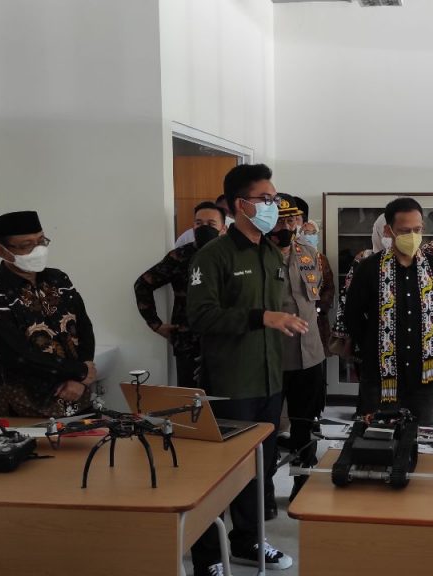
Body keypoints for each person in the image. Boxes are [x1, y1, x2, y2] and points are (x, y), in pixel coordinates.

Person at [186, 163, 300, 572]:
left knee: (259, 468)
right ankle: (208, 556)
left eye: (274, 198)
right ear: (240, 204)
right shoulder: (213, 255)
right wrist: (261, 317)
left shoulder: (268, 250)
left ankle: (248, 542)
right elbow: (200, 317)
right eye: (265, 199)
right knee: (221, 473)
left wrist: (279, 321)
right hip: (231, 382)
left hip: (269, 379)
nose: (273, 206)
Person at [0, 211, 97, 417]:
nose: (38, 250)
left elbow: (83, 326)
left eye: (41, 241)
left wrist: (82, 375)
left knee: (91, 436)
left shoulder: (58, 279)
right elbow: (18, 355)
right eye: (26, 245)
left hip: (77, 393)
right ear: (1, 251)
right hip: (27, 401)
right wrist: (79, 371)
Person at [344, 197, 433, 423]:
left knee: (420, 436)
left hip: (423, 375)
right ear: (388, 230)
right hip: (380, 375)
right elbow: (352, 316)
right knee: (376, 437)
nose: (412, 236)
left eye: (417, 229)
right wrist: (374, 343)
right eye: (404, 230)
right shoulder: (368, 268)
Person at [267, 194, 327, 503]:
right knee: (265, 428)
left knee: (307, 424)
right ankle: (263, 491)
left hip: (310, 354)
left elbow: (317, 295)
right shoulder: (257, 256)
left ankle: (301, 485)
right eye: (280, 221)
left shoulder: (310, 253)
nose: (288, 227)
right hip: (271, 356)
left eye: (292, 220)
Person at [134, 202, 223, 388]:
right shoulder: (180, 256)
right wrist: (155, 324)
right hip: (187, 341)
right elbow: (143, 284)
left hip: (226, 340)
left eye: (211, 224)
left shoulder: (233, 256)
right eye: (199, 223)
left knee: (225, 398)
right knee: (190, 399)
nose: (204, 228)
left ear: (223, 228)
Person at [299, 219, 336, 349]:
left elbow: (329, 287)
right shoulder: (294, 257)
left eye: (313, 233)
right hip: (299, 313)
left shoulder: (322, 259)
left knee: (318, 350)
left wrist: (320, 308)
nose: (310, 236)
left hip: (318, 315)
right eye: (307, 233)